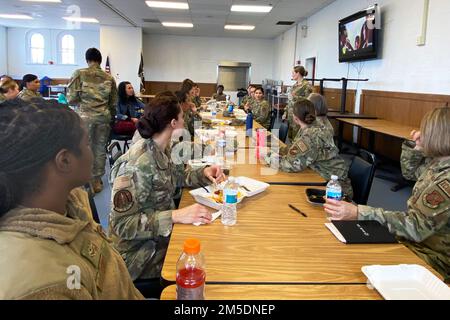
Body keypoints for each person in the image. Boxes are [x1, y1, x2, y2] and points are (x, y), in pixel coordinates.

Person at [0, 99, 143, 299]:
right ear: (65, 160)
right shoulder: (45, 285)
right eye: (86, 144)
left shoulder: (70, 202)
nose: (91, 151)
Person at [324, 107, 450, 282]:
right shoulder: (439, 163)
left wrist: (359, 213)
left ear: (438, 136)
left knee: (352, 268)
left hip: (431, 256)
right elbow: (410, 172)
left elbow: (416, 227)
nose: (418, 133)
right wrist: (415, 146)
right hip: (415, 240)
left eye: (425, 131)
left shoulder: (446, 182)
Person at [109, 94, 225, 281]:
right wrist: (175, 216)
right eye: (182, 118)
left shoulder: (163, 148)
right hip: (138, 254)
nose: (184, 122)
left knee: (210, 246)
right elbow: (122, 225)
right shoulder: (137, 164)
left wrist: (203, 173)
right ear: (173, 123)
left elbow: (175, 176)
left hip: (159, 237)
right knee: (206, 262)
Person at [265, 98, 352, 198]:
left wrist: (267, 155)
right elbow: (295, 150)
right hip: (324, 175)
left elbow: (290, 165)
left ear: (295, 118)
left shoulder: (309, 135)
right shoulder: (314, 125)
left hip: (334, 188)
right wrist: (275, 148)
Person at [67, 48, 118, 194]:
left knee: (83, 148)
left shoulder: (79, 74)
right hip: (103, 118)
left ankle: (84, 182)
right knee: (100, 149)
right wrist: (111, 118)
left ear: (87, 59)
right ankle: (97, 181)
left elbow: (71, 99)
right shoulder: (109, 78)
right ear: (100, 60)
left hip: (85, 118)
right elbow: (113, 103)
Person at [284, 66, 313, 142]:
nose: (292, 75)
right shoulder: (294, 86)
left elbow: (308, 101)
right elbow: (290, 101)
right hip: (291, 115)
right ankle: (292, 152)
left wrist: (295, 97)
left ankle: (297, 153)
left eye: (293, 73)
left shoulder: (306, 85)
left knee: (298, 138)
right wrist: (285, 112)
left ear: (298, 73)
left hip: (299, 115)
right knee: (290, 137)